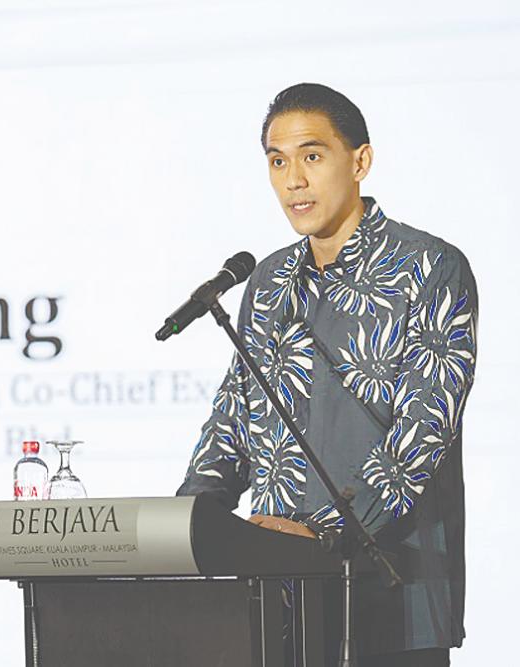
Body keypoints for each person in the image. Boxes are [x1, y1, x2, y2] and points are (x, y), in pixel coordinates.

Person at [175, 82, 478, 666]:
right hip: (277, 603)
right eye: (277, 161)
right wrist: (184, 525)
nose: (294, 180)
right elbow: (235, 421)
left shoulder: (431, 268)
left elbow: (425, 427)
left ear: (359, 160)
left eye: (312, 156)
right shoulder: (266, 284)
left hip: (392, 598)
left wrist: (320, 535)